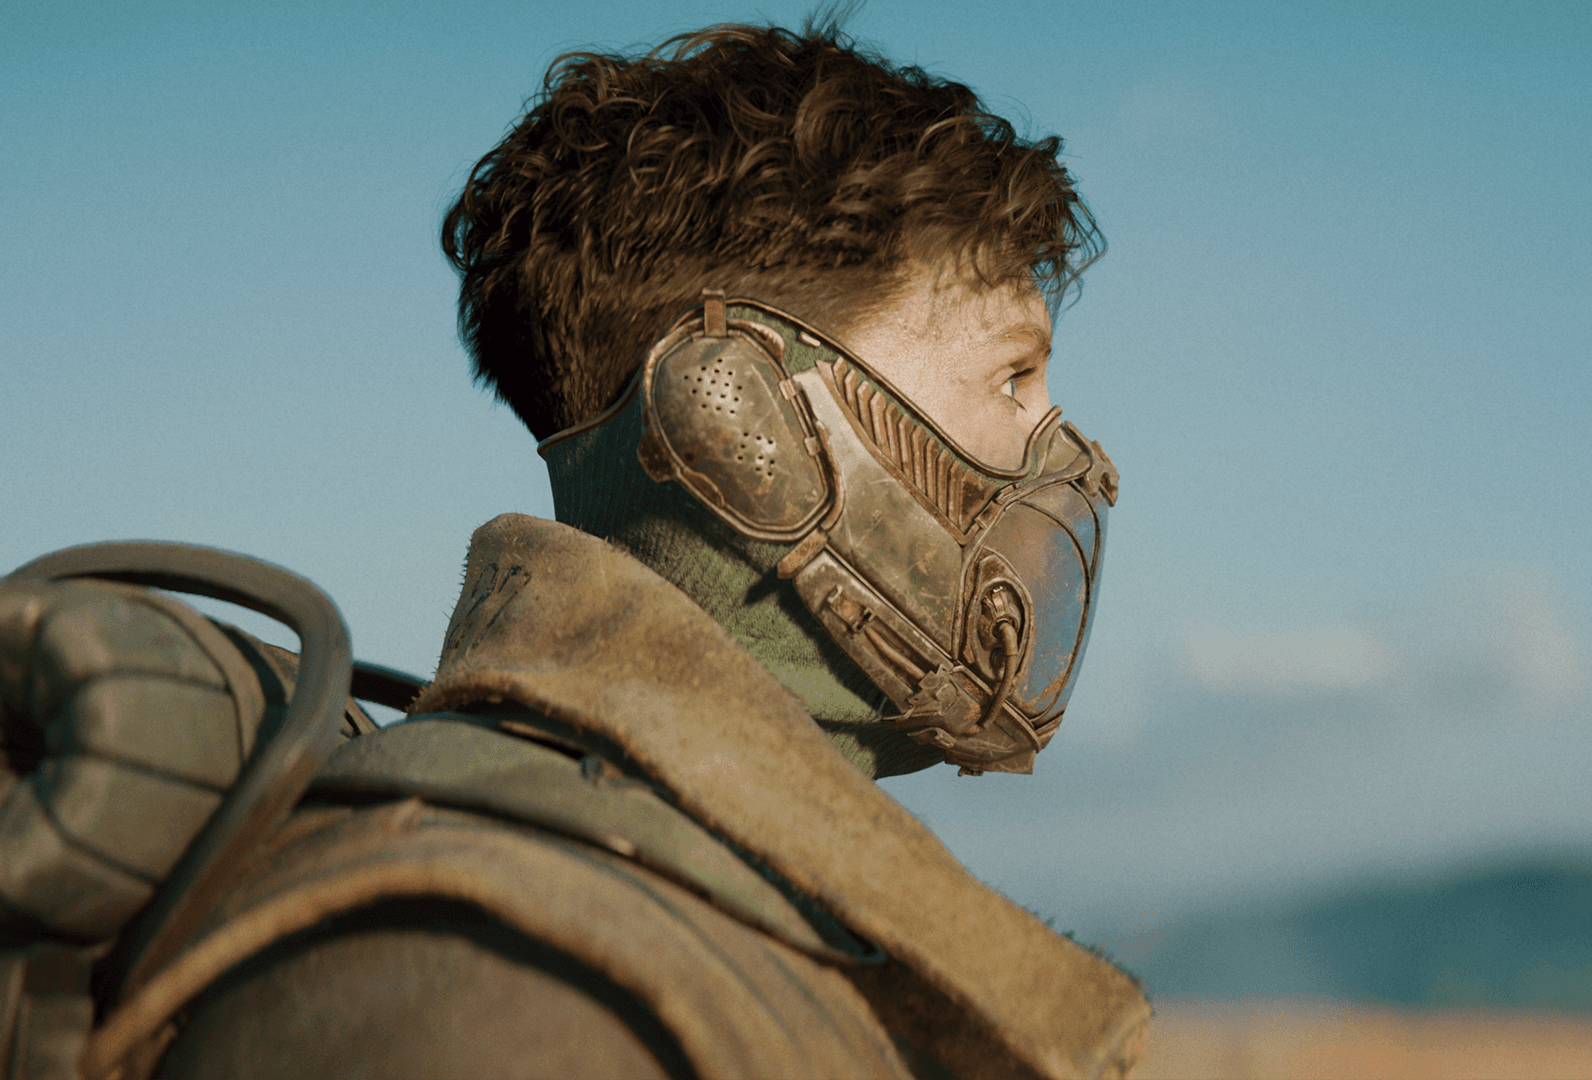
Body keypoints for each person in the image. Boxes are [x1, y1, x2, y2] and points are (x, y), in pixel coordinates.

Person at [0, 16, 1146, 1080]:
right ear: (741, 420)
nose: (1067, 455)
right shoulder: (506, 998)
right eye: (1013, 375)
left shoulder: (698, 900)